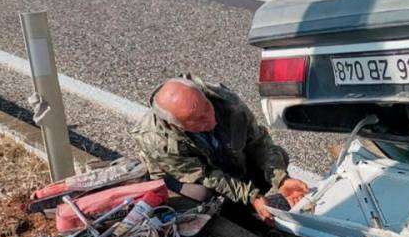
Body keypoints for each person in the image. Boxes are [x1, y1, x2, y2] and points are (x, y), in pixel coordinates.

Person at [132, 76, 308, 222]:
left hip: (216, 155)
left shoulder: (226, 102)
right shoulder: (157, 141)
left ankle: (240, 212)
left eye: (207, 107)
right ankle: (223, 217)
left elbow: (258, 142)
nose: (211, 119)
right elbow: (208, 176)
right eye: (198, 119)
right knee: (201, 193)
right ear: (178, 126)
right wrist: (251, 195)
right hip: (185, 172)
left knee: (278, 158)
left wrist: (281, 180)